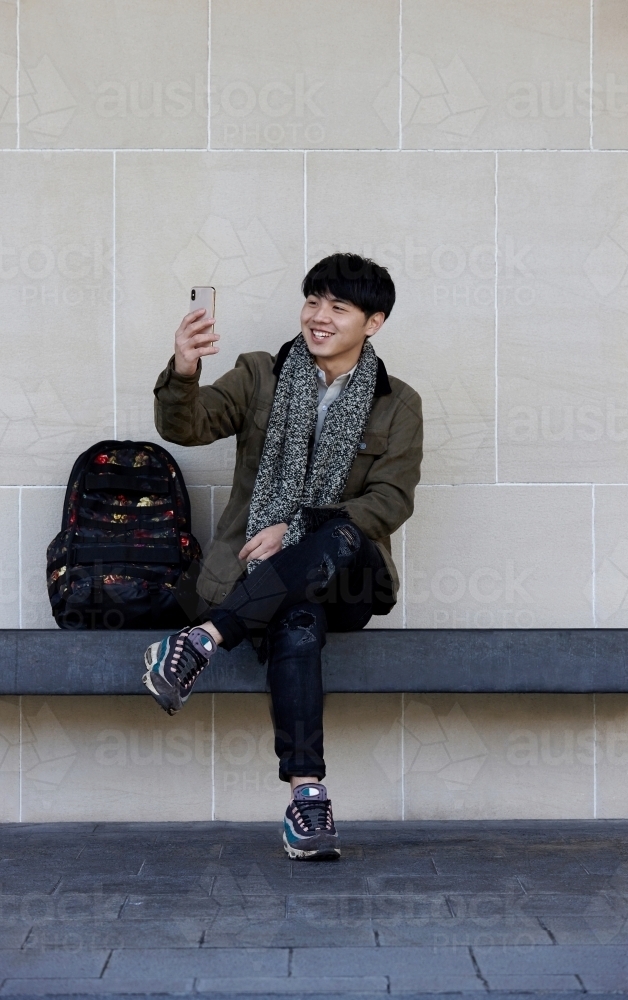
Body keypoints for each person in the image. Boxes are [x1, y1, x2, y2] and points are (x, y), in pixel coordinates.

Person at [143, 253, 423, 859]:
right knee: (295, 625)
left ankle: (203, 639)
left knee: (344, 531)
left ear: (372, 322)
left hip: (348, 582)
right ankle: (308, 799)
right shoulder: (259, 375)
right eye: (313, 301)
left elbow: (390, 501)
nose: (319, 317)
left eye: (338, 308)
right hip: (262, 581)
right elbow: (186, 427)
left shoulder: (397, 403)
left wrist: (294, 526)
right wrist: (184, 369)